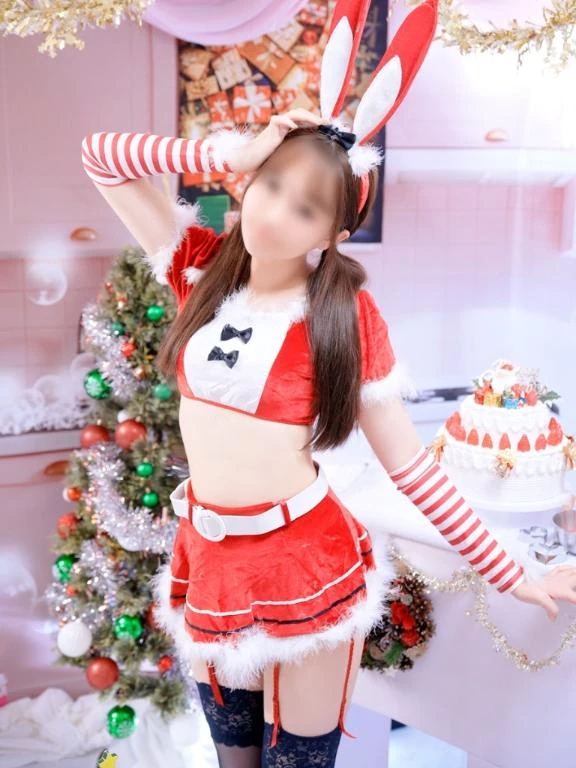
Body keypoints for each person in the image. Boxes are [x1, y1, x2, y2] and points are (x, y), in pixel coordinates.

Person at [79, 4, 576, 767]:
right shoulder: (197, 268)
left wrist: (512, 572)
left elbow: (413, 468)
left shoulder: (344, 316)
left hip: (306, 563)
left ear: (332, 233)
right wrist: (228, 149)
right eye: (271, 184)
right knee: (233, 759)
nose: (274, 212)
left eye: (305, 207)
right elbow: (101, 156)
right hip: (209, 561)